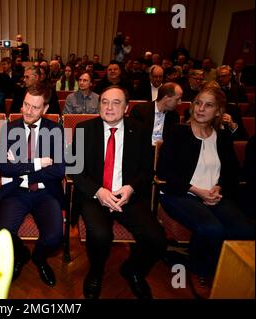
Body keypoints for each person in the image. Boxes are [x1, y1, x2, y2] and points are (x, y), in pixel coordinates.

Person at [156, 86, 254, 299]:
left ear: (218, 111)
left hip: (214, 195)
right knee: (212, 228)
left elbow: (232, 173)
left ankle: (224, 267)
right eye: (198, 103)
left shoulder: (222, 137)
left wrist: (219, 188)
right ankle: (198, 271)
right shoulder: (178, 132)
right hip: (180, 194)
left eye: (208, 105)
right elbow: (164, 172)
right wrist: (197, 191)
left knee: (246, 230)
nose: (200, 109)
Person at [70, 86, 167, 299]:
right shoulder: (83, 129)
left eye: (116, 102)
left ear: (126, 107)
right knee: (100, 235)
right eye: (104, 102)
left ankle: (133, 270)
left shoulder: (140, 130)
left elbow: (147, 170)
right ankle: (95, 273)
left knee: (157, 238)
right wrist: (98, 192)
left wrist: (130, 188)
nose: (109, 107)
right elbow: (75, 171)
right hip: (95, 196)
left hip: (127, 196)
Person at [0, 85, 65, 287]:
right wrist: (38, 163)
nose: (27, 111)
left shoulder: (55, 130)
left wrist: (20, 166)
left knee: (54, 238)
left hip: (45, 192)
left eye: (35, 107)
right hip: (16, 191)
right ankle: (21, 255)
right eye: (25, 104)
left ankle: (39, 258)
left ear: (45, 108)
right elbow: (4, 167)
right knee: (2, 235)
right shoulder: (9, 128)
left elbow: (59, 170)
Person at [130, 82, 182, 147]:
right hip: (142, 149)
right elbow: (133, 136)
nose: (180, 103)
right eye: (177, 99)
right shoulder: (140, 110)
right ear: (166, 98)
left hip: (163, 152)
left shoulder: (174, 116)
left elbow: (172, 141)